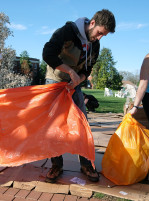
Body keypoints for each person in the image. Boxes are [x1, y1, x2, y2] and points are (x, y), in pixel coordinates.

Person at [42, 9, 116, 183]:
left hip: (74, 85)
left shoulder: (95, 44)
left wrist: (79, 79)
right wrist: (69, 71)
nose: (99, 38)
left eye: (103, 35)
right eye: (99, 33)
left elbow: (87, 70)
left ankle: (86, 164)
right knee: (55, 126)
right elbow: (47, 53)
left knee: (82, 124)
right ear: (92, 23)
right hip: (55, 81)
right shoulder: (67, 32)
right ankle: (56, 165)